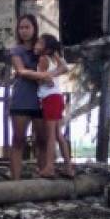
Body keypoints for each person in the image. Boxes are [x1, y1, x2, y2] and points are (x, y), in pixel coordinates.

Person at [7, 14, 65, 180]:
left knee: (42, 140)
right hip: (21, 99)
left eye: (27, 27)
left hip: (42, 101)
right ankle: (16, 181)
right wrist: (43, 76)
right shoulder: (16, 50)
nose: (24, 31)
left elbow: (63, 66)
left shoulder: (44, 48)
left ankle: (44, 176)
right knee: (18, 140)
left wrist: (50, 74)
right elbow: (20, 71)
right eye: (21, 28)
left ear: (34, 29)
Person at [33, 33, 75, 178]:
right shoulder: (52, 59)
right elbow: (63, 68)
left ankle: (49, 167)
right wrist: (51, 75)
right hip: (56, 97)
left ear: (46, 47)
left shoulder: (43, 59)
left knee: (50, 135)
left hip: (49, 98)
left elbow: (43, 79)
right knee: (58, 135)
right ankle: (68, 168)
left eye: (39, 42)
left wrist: (41, 78)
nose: (36, 44)